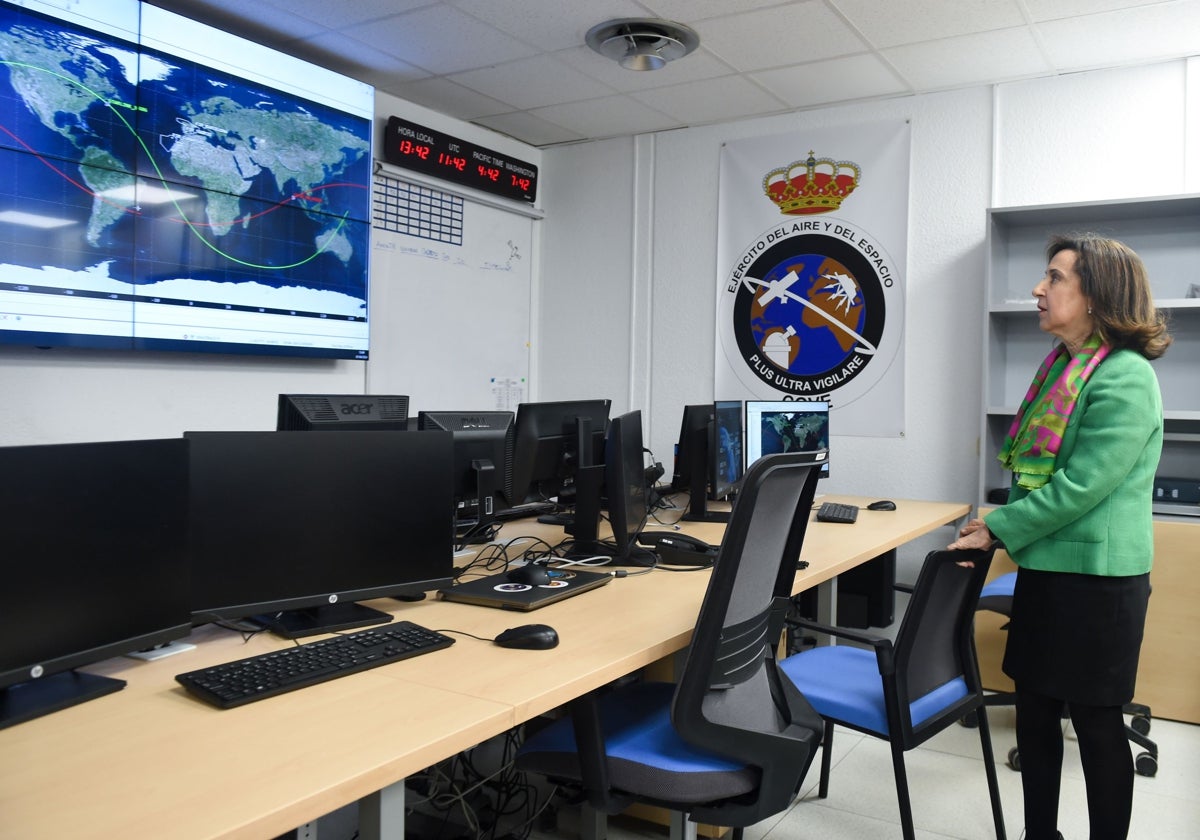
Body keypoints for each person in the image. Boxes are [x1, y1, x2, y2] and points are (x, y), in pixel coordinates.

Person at [950, 233, 1170, 840]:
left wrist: (998, 527)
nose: (1037, 290)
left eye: (1054, 278)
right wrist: (993, 533)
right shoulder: (1061, 368)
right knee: (1036, 714)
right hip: (1046, 571)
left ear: (1097, 296)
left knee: (1098, 725)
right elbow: (1029, 474)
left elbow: (1080, 488)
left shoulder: (1125, 378)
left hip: (1100, 585)